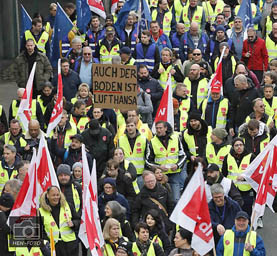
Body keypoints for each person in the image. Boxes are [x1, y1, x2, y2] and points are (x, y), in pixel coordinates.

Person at [146, 121, 186, 202]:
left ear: (165, 128)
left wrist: (177, 165)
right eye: (157, 128)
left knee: (176, 200)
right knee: (162, 200)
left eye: (160, 128)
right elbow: (148, 161)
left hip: (175, 174)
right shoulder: (152, 142)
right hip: (161, 176)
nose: (158, 130)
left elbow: (183, 156)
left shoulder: (176, 138)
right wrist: (159, 167)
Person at [39, 186, 80, 256]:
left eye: (58, 195)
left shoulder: (68, 206)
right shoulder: (41, 211)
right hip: (53, 246)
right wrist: (47, 242)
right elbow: (40, 230)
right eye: (53, 195)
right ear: (48, 196)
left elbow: (78, 220)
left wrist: (73, 223)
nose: (56, 197)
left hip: (70, 245)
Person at [222, 138, 255, 217]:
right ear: (233, 147)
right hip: (232, 189)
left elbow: (255, 173)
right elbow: (224, 173)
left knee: (246, 212)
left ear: (244, 146)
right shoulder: (228, 157)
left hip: (246, 189)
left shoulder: (251, 156)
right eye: (236, 145)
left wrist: (244, 177)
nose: (239, 147)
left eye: (241, 145)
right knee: (233, 212)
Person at [118, 118, 150, 188]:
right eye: (128, 126)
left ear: (136, 126)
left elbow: (148, 157)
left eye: (132, 126)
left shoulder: (144, 139)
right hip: (126, 173)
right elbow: (118, 157)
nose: (130, 128)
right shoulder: (120, 139)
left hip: (140, 174)